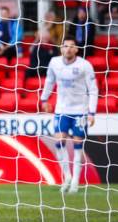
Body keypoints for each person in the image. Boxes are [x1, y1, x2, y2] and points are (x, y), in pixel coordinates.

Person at [41, 37, 98, 194]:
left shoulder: (85, 65)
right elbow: (49, 81)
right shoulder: (54, 62)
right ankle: (67, 177)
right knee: (59, 142)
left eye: (72, 46)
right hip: (62, 110)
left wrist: (92, 112)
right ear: (61, 49)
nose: (68, 49)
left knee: (78, 146)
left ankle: (75, 182)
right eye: (65, 46)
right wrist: (44, 99)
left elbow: (93, 89)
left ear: (76, 49)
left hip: (80, 110)